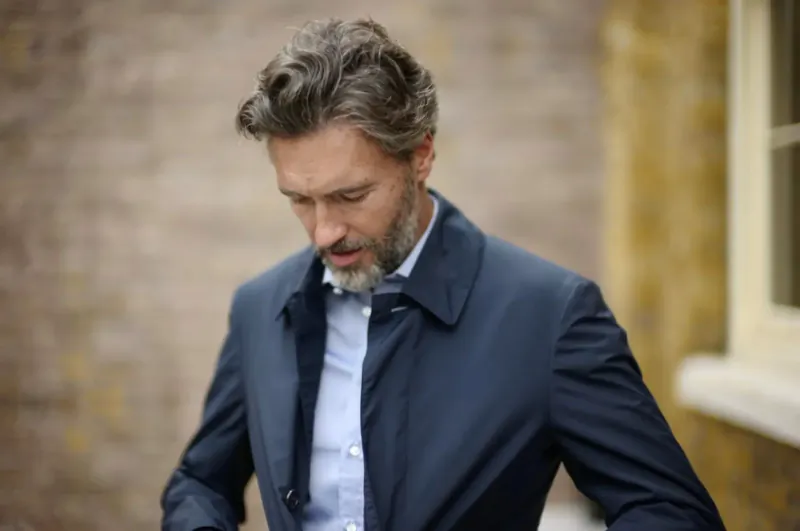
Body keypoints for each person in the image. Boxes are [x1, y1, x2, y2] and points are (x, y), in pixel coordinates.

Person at [160, 17, 726, 531]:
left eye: (351, 195)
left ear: (421, 155)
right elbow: (200, 484)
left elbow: (670, 511)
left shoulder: (552, 315)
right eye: (300, 200)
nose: (324, 232)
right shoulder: (259, 307)